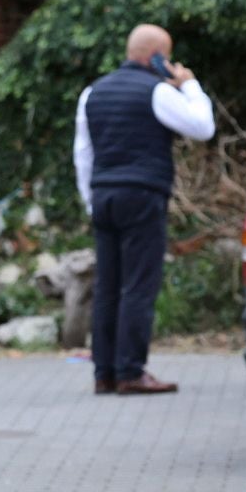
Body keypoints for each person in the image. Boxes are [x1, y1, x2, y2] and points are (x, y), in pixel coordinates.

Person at [73, 24, 215, 395]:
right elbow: (203, 126)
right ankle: (131, 372)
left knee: (107, 286)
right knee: (138, 285)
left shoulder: (92, 93)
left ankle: (103, 373)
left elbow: (83, 153)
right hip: (142, 195)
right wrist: (189, 85)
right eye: (165, 57)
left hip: (103, 195)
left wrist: (90, 200)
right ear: (155, 57)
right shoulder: (158, 92)